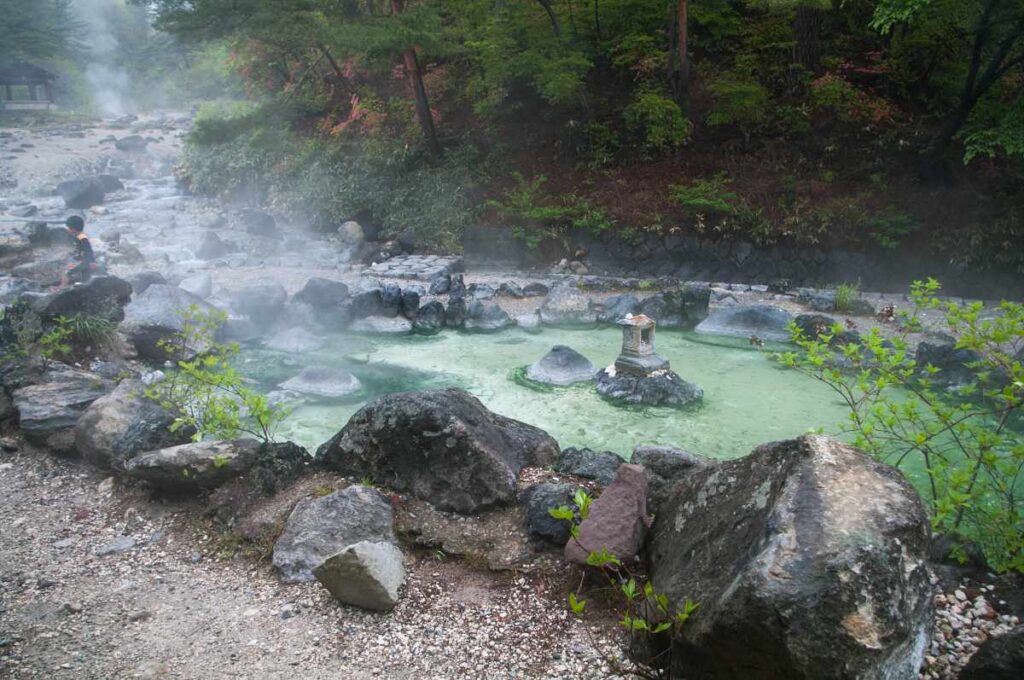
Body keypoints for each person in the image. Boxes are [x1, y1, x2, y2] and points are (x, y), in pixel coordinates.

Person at [59, 215, 96, 288]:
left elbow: (88, 249)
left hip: (85, 262)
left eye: (69, 228)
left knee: (67, 272)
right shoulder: (78, 235)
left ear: (73, 229)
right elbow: (80, 249)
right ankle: (80, 284)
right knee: (84, 278)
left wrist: (90, 261)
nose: (68, 230)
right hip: (84, 260)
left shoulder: (81, 237)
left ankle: (62, 288)